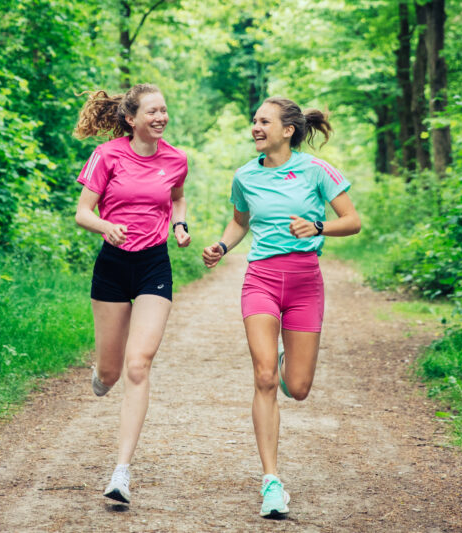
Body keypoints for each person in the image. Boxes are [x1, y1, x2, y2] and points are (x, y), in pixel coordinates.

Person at [202, 97, 361, 518]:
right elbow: (240, 221)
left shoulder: (315, 170)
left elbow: (353, 220)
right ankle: (271, 480)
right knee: (265, 376)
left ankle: (289, 359)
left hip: (306, 282)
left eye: (264, 121)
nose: (256, 127)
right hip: (262, 281)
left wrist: (319, 225)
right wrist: (221, 245)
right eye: (254, 121)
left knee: (299, 387)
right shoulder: (244, 176)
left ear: (288, 130)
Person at [73, 83, 190, 505]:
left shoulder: (176, 159)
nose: (161, 117)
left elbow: (177, 199)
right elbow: (82, 212)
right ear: (131, 119)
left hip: (154, 265)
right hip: (112, 266)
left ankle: (121, 472)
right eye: (153, 112)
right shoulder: (107, 155)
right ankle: (103, 375)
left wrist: (179, 225)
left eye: (164, 110)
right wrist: (107, 227)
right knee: (111, 373)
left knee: (138, 365)